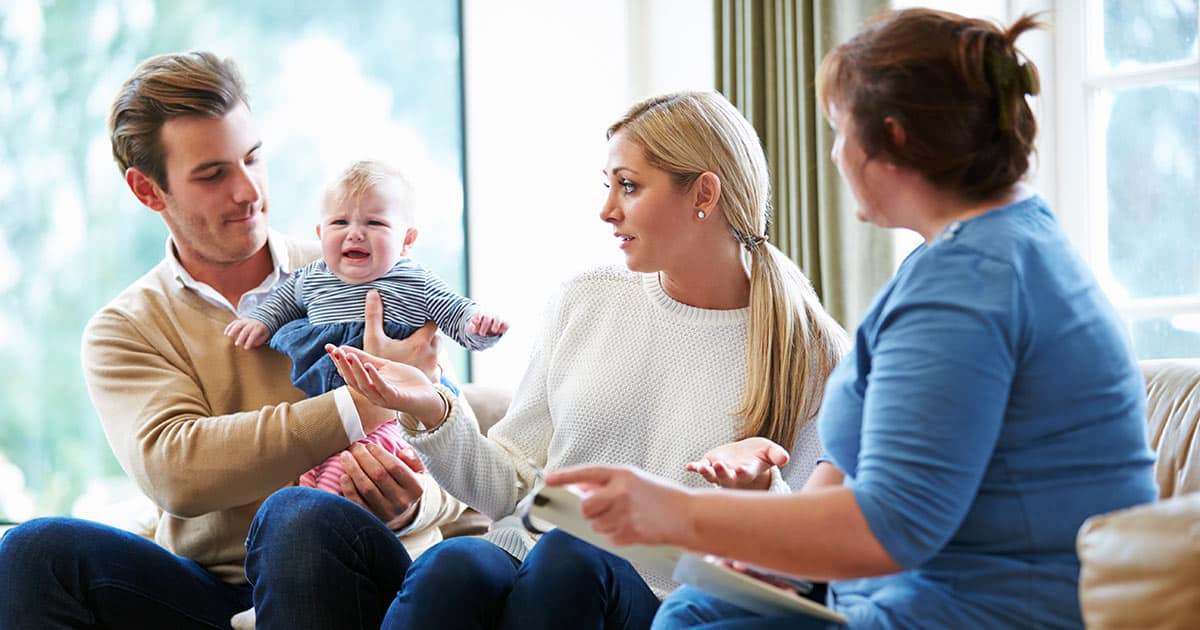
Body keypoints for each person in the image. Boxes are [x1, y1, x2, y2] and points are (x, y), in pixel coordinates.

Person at [533, 9, 1159, 629]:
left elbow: (888, 526)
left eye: (839, 132)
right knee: (699, 605)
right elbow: (854, 482)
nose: (833, 157)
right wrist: (755, 545)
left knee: (687, 619)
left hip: (980, 611)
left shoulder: (968, 286)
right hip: (910, 595)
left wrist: (674, 513)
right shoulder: (991, 248)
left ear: (894, 138)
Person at [321, 90, 850, 630]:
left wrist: (761, 489)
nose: (607, 210)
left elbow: (808, 559)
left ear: (704, 195)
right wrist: (433, 409)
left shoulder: (812, 354)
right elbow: (512, 489)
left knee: (571, 556)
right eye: (610, 186)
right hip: (531, 555)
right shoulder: (585, 300)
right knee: (455, 565)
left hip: (660, 599)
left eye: (629, 186)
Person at [0, 51, 465, 630]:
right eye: (213, 174)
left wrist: (414, 503)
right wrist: (363, 402)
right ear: (148, 190)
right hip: (211, 592)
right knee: (32, 551)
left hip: (356, 567)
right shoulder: (126, 329)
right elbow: (179, 471)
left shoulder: (366, 271)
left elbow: (462, 462)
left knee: (297, 517)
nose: (250, 192)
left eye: (253, 158)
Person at [225, 158, 507, 494]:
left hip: (394, 414)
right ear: (321, 233)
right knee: (310, 477)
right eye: (340, 222)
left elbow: (455, 312)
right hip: (327, 406)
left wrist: (478, 326)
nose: (355, 232)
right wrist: (262, 320)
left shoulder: (413, 280)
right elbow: (284, 301)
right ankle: (317, 503)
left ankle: (330, 508)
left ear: (407, 240)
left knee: (352, 475)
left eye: (375, 223)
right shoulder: (313, 276)